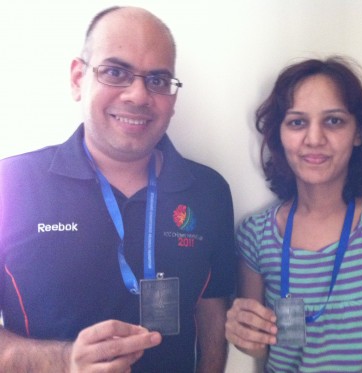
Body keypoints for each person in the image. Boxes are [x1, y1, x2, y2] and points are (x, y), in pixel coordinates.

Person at [0, 6, 235, 373]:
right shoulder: (10, 184)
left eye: (158, 80)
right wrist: (64, 360)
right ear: (78, 78)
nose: (138, 95)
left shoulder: (210, 192)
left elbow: (211, 308)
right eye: (115, 72)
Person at [225, 56, 362, 372]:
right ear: (279, 135)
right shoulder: (255, 235)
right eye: (297, 122)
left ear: (358, 132)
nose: (315, 138)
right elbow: (258, 346)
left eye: (333, 121)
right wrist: (242, 333)